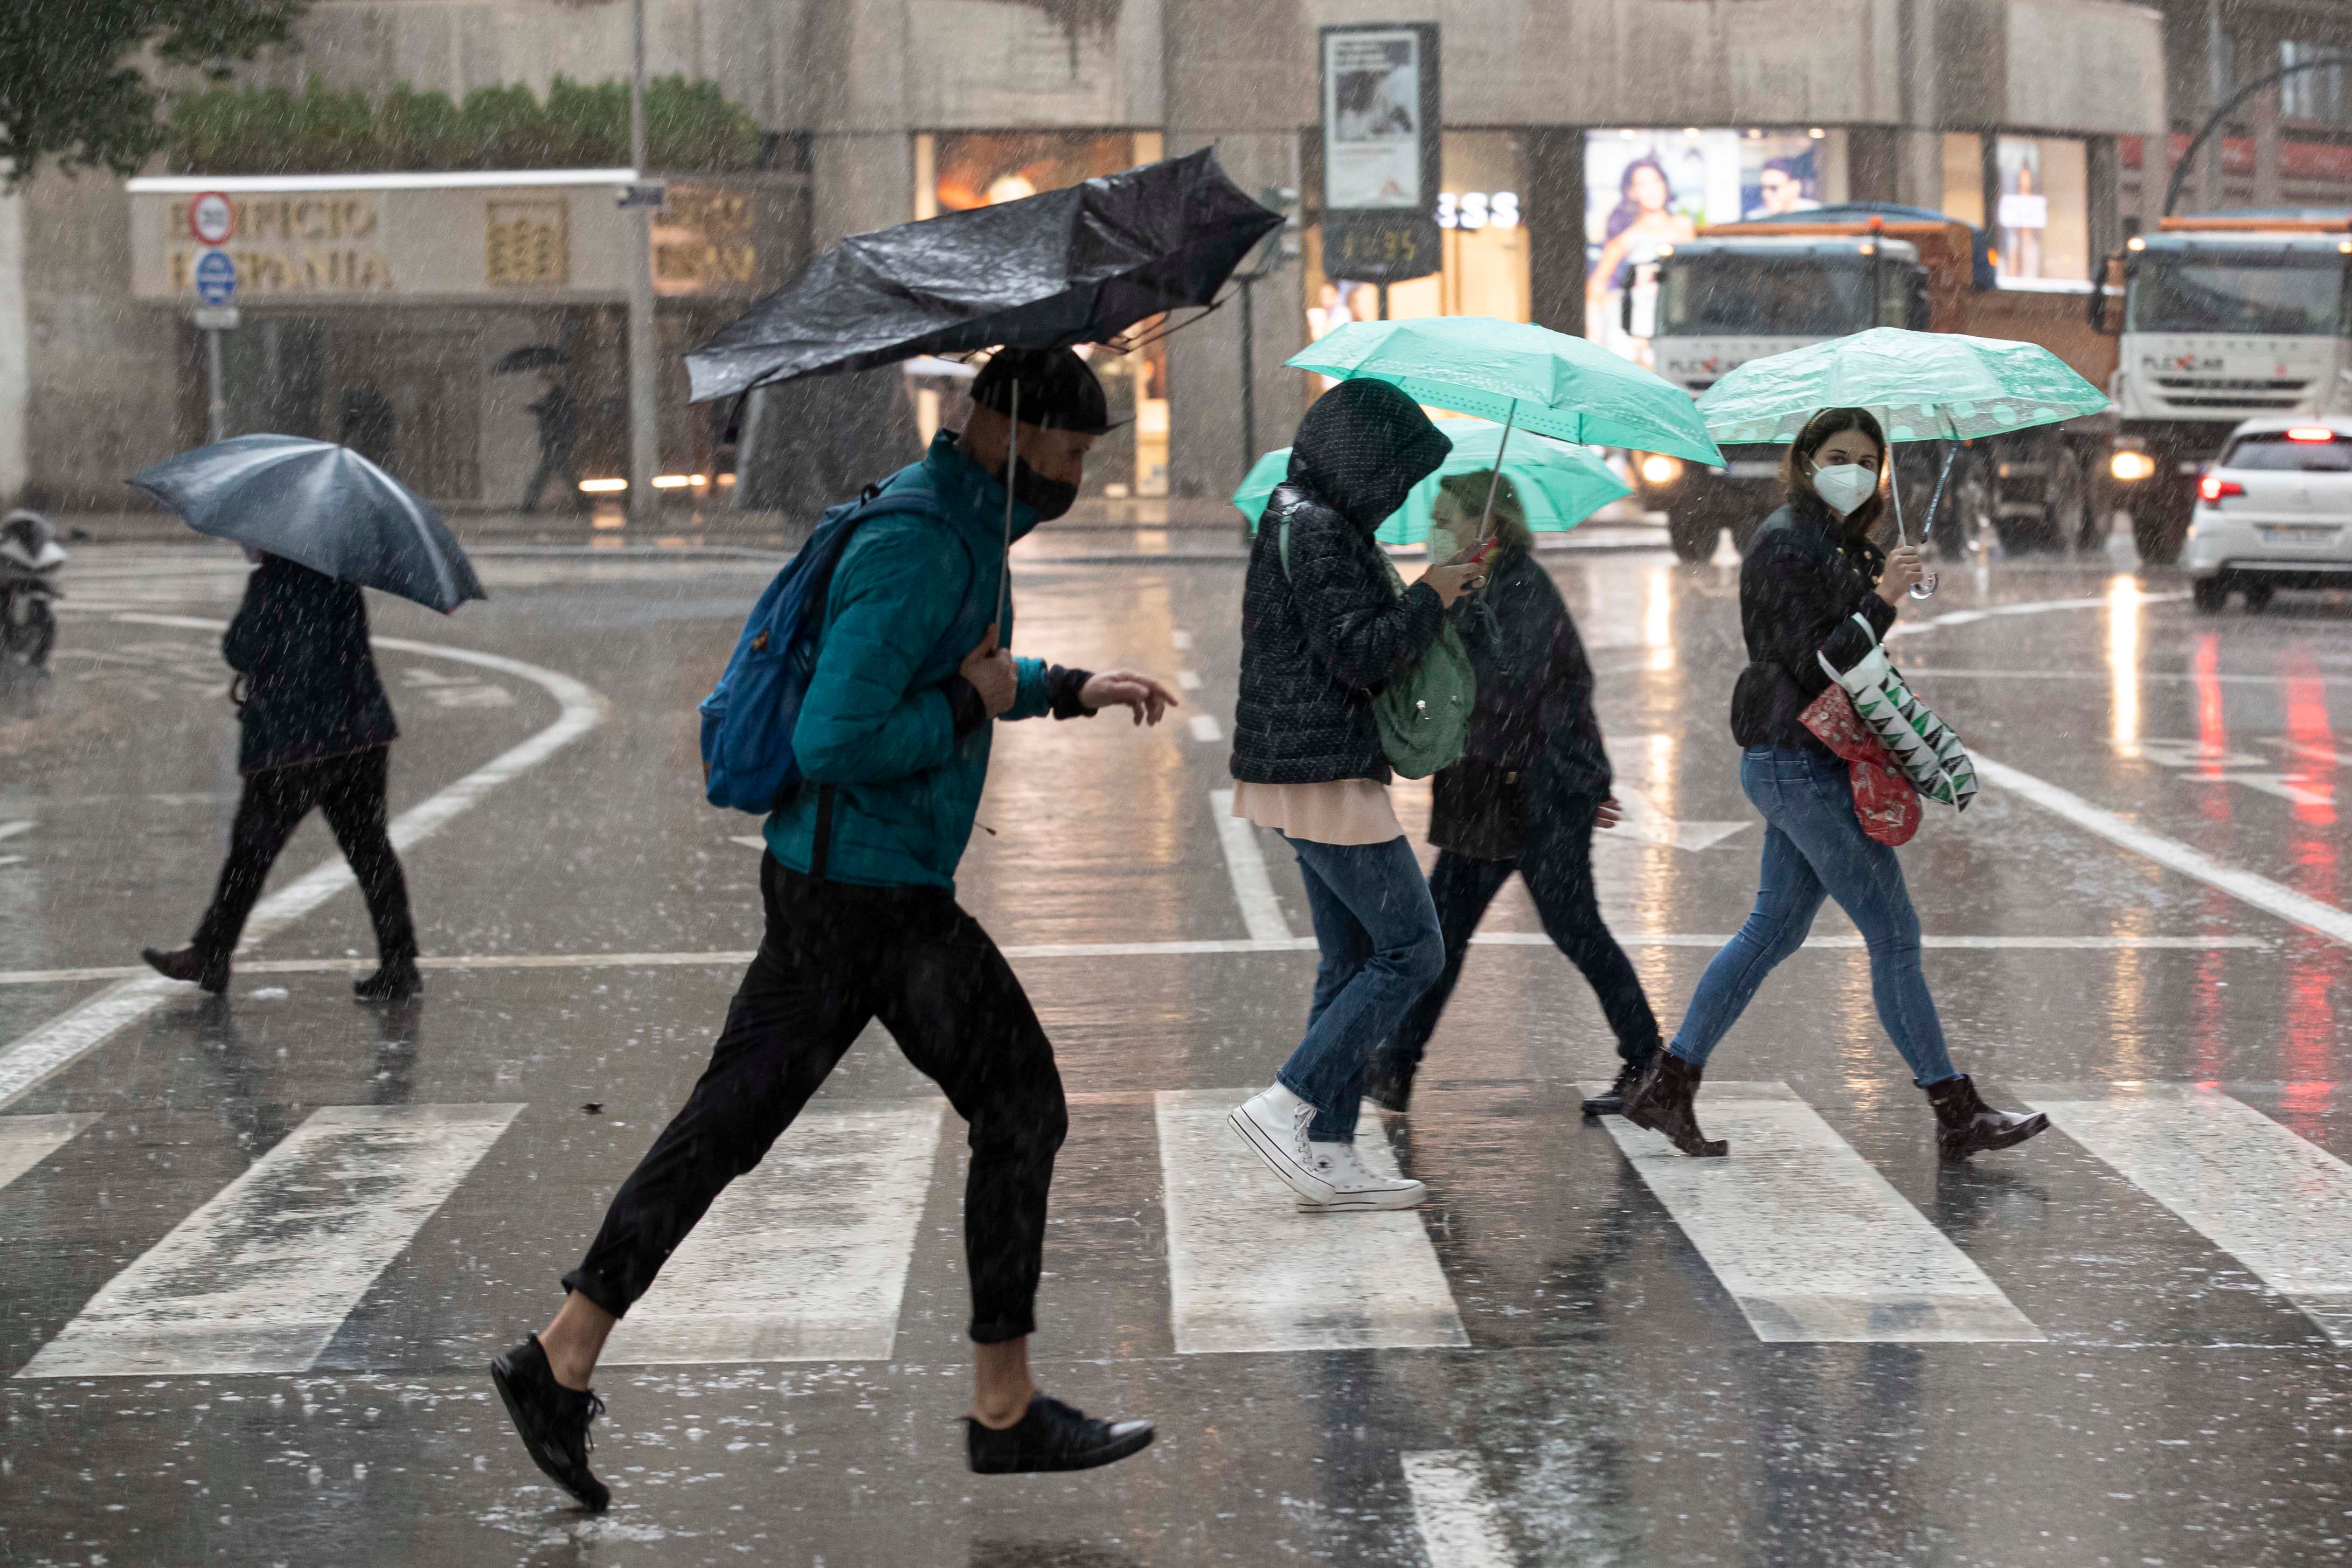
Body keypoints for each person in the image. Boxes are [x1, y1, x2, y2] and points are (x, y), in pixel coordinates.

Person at [490, 348, 1180, 1512]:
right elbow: (835, 738)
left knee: (724, 1128)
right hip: (867, 896)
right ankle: (1002, 1410)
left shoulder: (962, 522)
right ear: (1007, 433)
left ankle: (560, 1356)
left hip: (841, 887)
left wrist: (1066, 686)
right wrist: (977, 701)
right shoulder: (919, 541)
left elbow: (969, 668)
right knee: (1019, 1105)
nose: (1077, 478)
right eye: (1068, 455)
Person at [1619, 407, 2050, 1162]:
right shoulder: (1786, 542)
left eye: (1866, 459)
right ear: (1806, 460)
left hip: (1804, 758)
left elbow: (1853, 647)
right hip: (1797, 759)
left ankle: (1668, 1083)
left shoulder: (1833, 541)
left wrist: (1881, 583)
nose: (1853, 470)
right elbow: (1821, 659)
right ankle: (1954, 1110)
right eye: (1838, 455)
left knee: (1773, 931)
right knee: (1893, 934)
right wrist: (1879, 594)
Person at [1224, 379, 1486, 1212]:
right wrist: (1431, 594)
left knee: (1349, 959)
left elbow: (1347, 632)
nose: (1398, 493)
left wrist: (1433, 592)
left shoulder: (1303, 514)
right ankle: (1290, 1101)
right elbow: (1360, 654)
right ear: (1359, 459)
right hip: (1323, 771)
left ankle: (1330, 1149)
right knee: (1413, 950)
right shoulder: (1320, 527)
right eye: (1393, 473)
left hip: (1303, 763)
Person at [1360, 471, 1663, 1118]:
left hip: (1531, 794)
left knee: (1565, 928)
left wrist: (1584, 784)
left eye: (1448, 517)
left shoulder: (1519, 588)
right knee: (1448, 931)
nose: (1437, 528)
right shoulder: (1478, 585)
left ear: (1486, 526)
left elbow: (1521, 689)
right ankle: (1394, 1066)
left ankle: (1649, 1061)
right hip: (1491, 786)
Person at [142, 549, 419, 1002]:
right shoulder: (340, 576)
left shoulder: (270, 583)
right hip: (358, 736)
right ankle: (400, 962)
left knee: (249, 856)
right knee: (370, 851)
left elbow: (240, 650)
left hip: (290, 746)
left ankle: (211, 953)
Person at [521, 373, 582, 514]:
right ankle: (583, 501)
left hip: (558, 442)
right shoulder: (554, 398)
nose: (541, 388)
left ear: (550, 383)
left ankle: (529, 504)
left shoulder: (558, 398)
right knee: (565, 473)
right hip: (557, 442)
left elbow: (554, 415)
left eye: (543, 385)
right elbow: (549, 411)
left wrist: (536, 407)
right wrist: (535, 407)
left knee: (544, 472)